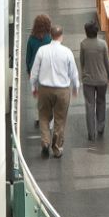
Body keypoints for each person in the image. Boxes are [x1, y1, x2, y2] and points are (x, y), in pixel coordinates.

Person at [30, 24, 80, 158]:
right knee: (60, 119)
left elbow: (34, 72)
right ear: (61, 36)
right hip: (62, 90)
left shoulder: (42, 51)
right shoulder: (67, 52)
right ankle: (57, 148)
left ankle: (45, 141)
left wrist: (33, 87)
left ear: (50, 36)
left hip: (45, 89)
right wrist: (75, 87)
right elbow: (73, 72)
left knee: (44, 116)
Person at [79, 20, 109, 140]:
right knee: (101, 101)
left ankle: (91, 133)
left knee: (89, 105)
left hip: (88, 80)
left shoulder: (83, 44)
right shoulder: (103, 44)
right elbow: (107, 62)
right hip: (102, 79)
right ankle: (100, 126)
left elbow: (82, 61)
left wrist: (83, 74)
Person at [24, 12, 53, 79]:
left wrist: (29, 71)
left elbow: (28, 57)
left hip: (34, 69)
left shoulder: (31, 39)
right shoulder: (50, 39)